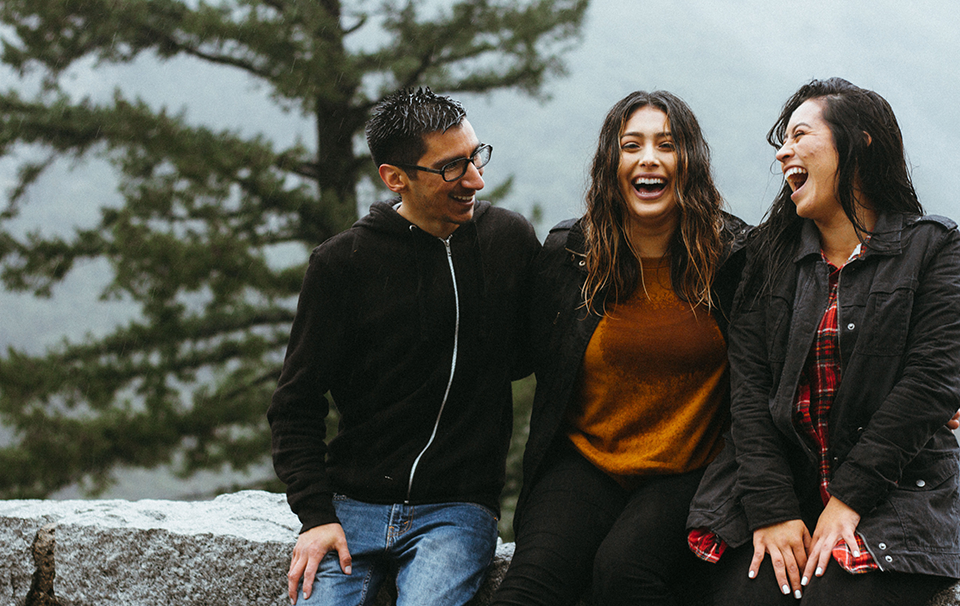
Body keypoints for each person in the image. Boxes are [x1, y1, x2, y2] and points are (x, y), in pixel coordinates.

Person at [687, 78, 960, 605]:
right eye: (781, 142)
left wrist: (848, 501)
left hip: (895, 498)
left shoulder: (935, 248)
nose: (784, 151)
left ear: (860, 142)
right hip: (782, 490)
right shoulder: (763, 261)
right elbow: (750, 398)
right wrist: (772, 510)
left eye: (799, 134)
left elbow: (931, 385)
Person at [268, 87, 540, 606]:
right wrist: (317, 516)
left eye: (476, 157)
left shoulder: (508, 240)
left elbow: (536, 355)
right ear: (396, 177)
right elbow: (294, 405)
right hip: (352, 508)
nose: (476, 180)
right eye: (452, 168)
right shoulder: (342, 264)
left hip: (456, 511)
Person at [491, 90, 750, 606]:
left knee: (624, 573)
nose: (648, 158)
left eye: (666, 145)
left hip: (689, 469)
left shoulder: (736, 261)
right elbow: (511, 353)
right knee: (528, 588)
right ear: (612, 164)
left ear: (689, 162)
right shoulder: (572, 255)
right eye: (631, 145)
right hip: (586, 462)